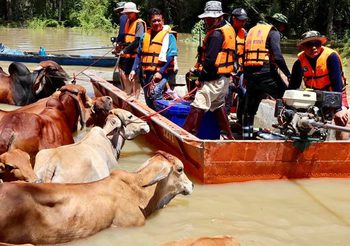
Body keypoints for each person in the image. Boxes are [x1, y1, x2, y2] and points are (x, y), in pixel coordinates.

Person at [182, 1, 235, 140]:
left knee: (198, 104)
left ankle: (186, 136)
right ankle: (229, 135)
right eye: (207, 18)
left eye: (210, 18)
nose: (207, 20)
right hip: (222, 80)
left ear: (219, 17)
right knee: (218, 105)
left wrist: (200, 78)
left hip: (213, 80)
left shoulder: (217, 35)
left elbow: (210, 62)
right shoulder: (226, 30)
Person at [289, 30, 349, 140]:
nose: (314, 47)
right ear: (302, 47)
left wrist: (338, 109)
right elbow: (292, 87)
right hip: (315, 95)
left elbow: (337, 84)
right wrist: (288, 107)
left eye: (317, 44)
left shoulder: (331, 57)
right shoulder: (299, 63)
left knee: (342, 120)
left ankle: (342, 149)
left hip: (335, 92)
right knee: (307, 121)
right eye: (309, 44)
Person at [242, 13, 291, 139]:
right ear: (279, 24)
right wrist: (288, 74)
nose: (283, 30)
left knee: (249, 110)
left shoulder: (251, 31)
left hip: (250, 74)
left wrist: (246, 76)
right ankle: (288, 134)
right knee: (287, 99)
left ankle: (246, 137)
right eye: (283, 27)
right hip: (266, 73)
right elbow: (278, 57)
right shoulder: (273, 32)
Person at [129, 8, 178, 109]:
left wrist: (160, 72)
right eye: (154, 21)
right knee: (148, 98)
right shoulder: (144, 36)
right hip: (147, 73)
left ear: (163, 21)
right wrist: (133, 69)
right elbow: (139, 54)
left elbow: (171, 55)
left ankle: (162, 116)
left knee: (155, 93)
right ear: (149, 22)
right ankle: (152, 115)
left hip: (163, 72)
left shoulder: (169, 37)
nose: (156, 23)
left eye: (159, 20)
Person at [117, 2, 146, 99]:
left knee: (136, 78)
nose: (128, 15)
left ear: (135, 12)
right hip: (128, 55)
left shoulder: (139, 23)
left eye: (130, 13)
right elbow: (126, 38)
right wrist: (121, 46)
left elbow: (137, 42)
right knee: (126, 74)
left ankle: (136, 97)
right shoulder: (128, 22)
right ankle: (128, 94)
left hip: (136, 55)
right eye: (127, 13)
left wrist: (124, 50)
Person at [226, 7, 248, 127]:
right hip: (226, 69)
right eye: (240, 20)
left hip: (239, 69)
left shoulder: (244, 33)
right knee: (228, 90)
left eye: (244, 20)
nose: (243, 22)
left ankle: (240, 119)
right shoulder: (225, 31)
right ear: (233, 19)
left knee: (244, 93)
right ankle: (226, 118)